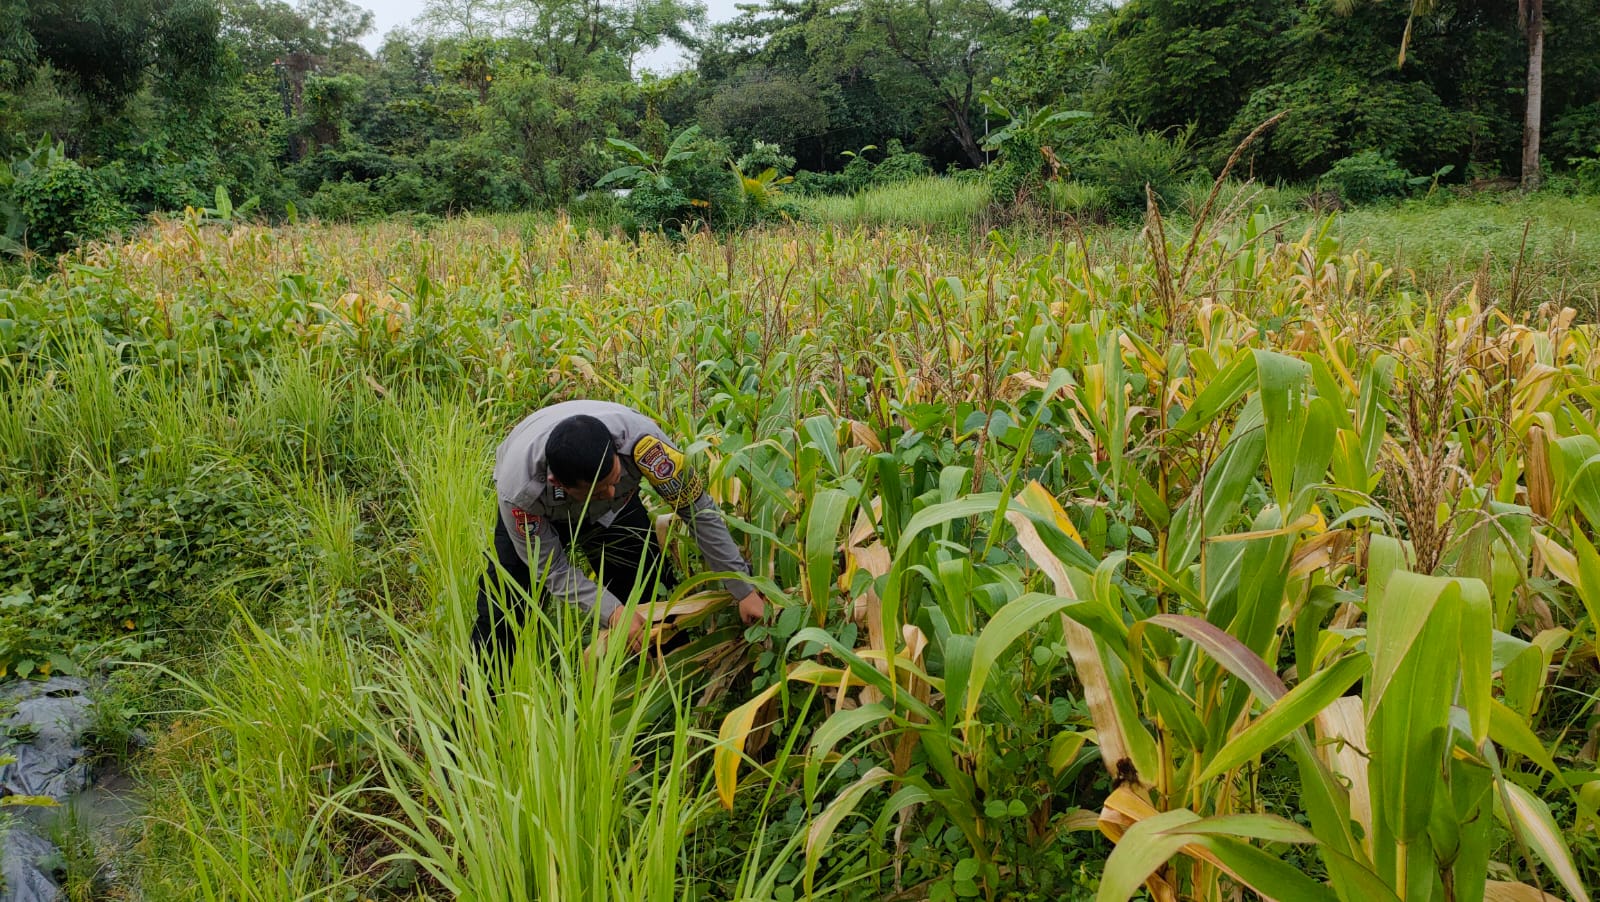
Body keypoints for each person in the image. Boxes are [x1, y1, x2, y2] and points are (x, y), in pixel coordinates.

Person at [471, 400, 768, 664]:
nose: (612, 491)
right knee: (504, 609)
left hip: (613, 514)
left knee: (649, 591)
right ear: (558, 484)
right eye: (600, 490)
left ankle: (674, 678)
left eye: (615, 479)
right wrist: (613, 612)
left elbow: (696, 510)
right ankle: (478, 696)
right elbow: (553, 570)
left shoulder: (645, 446)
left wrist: (742, 587)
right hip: (543, 513)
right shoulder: (520, 494)